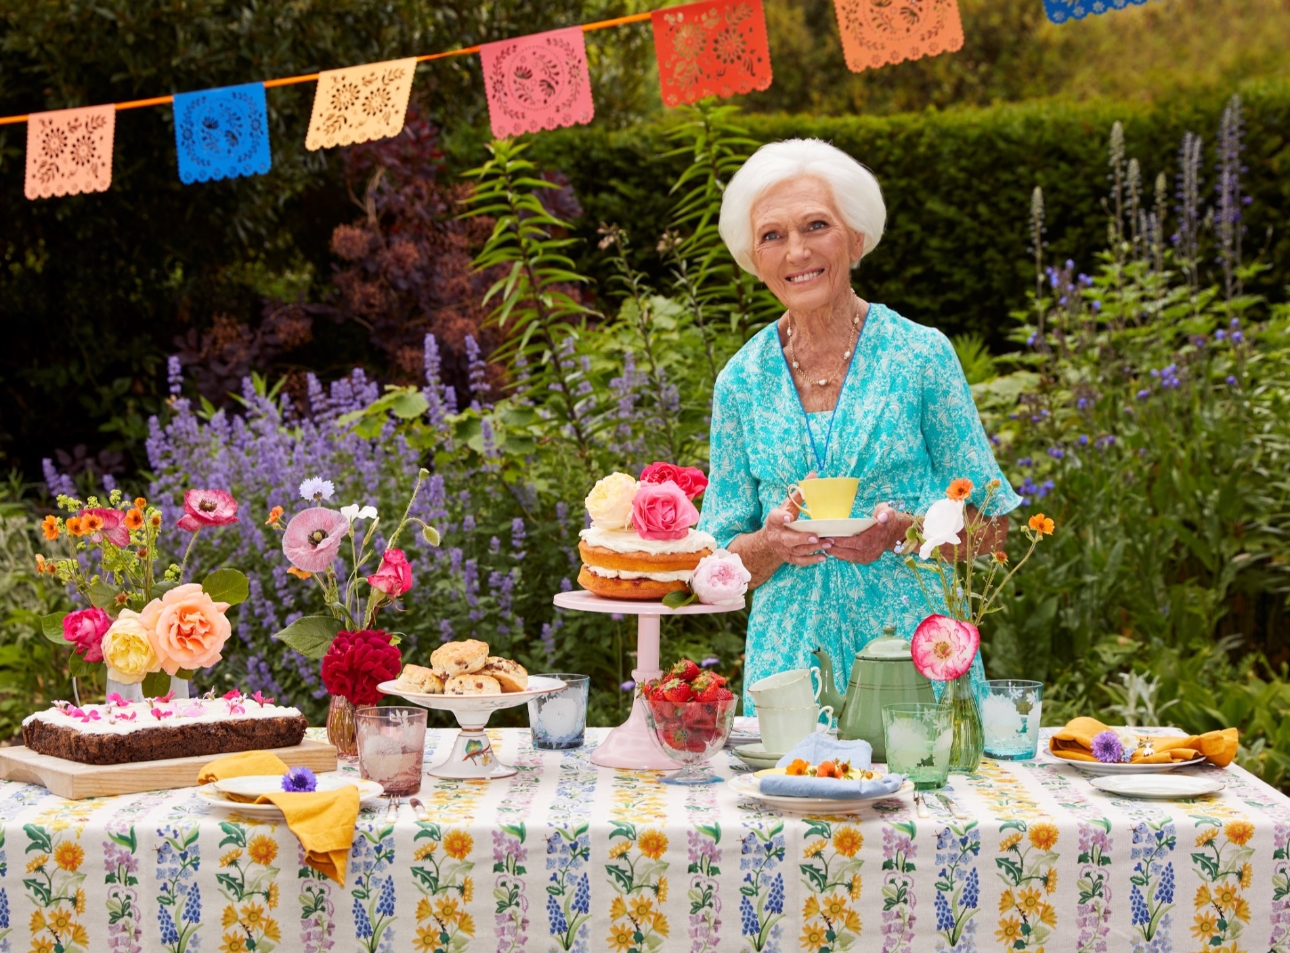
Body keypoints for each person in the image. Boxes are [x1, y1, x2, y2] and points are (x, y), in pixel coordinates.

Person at [698, 138, 1020, 711]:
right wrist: (770, 544)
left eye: (816, 225)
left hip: (914, 662)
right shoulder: (740, 381)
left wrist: (900, 533)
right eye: (772, 235)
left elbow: (993, 531)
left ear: (856, 238)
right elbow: (715, 561)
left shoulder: (921, 356)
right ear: (755, 257)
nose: (796, 251)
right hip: (789, 677)